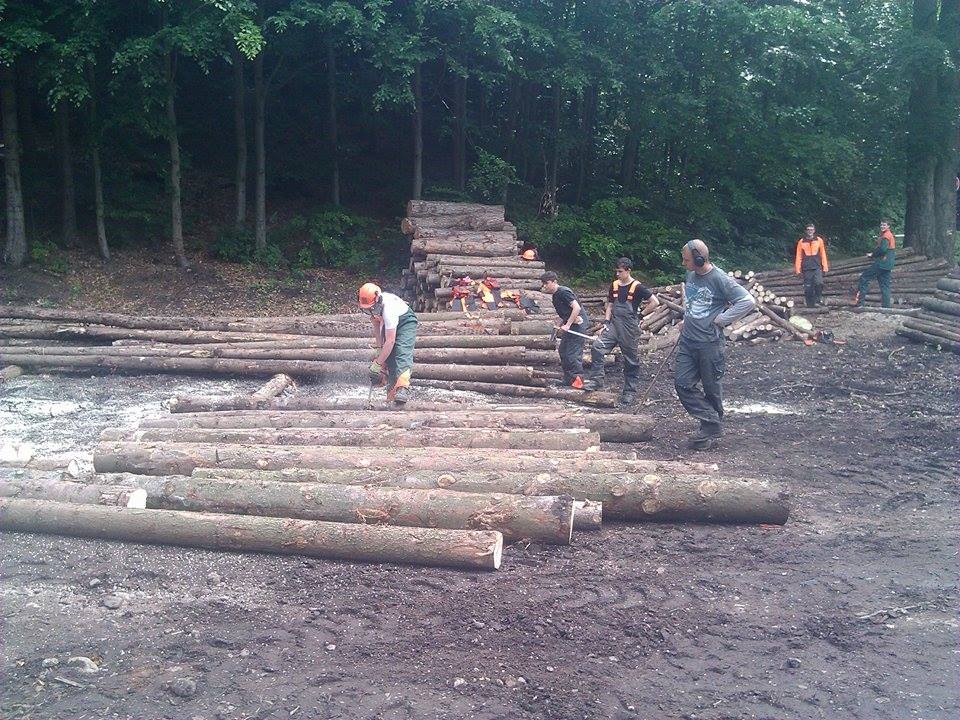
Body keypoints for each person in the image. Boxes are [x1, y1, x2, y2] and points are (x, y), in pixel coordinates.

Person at [675, 239, 755, 450]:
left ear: (699, 259)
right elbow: (692, 301)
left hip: (709, 343)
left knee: (711, 388)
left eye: (686, 260)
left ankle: (708, 429)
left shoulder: (719, 278)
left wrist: (722, 319)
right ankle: (712, 422)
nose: (683, 263)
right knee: (682, 384)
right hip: (688, 340)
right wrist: (686, 318)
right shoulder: (691, 275)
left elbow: (747, 301)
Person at [583, 257, 659, 407]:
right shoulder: (614, 285)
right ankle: (596, 380)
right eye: (616, 271)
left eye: (620, 271)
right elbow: (610, 305)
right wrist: (606, 321)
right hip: (614, 325)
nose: (617, 274)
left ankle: (629, 391)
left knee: (630, 360)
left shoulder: (637, 287)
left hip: (629, 328)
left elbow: (655, 302)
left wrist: (641, 315)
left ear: (628, 271)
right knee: (597, 347)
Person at [358, 282, 418, 405]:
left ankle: (402, 387)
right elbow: (378, 330)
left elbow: (390, 341)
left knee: (401, 351)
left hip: (405, 322)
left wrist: (378, 364)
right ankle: (391, 394)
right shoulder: (377, 309)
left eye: (372, 308)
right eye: (368, 309)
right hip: (391, 325)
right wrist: (379, 351)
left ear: (377, 299)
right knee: (389, 357)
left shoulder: (388, 309)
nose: (371, 311)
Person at [540, 271, 588, 389]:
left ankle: (578, 380)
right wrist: (560, 324)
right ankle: (568, 379)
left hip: (578, 324)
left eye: (547, 283)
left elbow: (576, 308)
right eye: (543, 283)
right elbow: (564, 313)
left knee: (573, 353)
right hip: (571, 324)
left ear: (554, 282)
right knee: (563, 350)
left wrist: (568, 324)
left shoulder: (564, 292)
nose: (545, 286)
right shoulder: (555, 296)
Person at [854, 221, 896, 308]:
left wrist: (872, 255)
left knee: (864, 277)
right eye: (881, 225)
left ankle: (860, 303)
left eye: (884, 225)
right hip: (888, 265)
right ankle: (886, 308)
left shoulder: (886, 236)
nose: (882, 226)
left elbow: (883, 249)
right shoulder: (889, 235)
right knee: (885, 286)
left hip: (881, 263)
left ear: (888, 226)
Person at [794, 223, 829, 307]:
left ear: (814, 231)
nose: (810, 231)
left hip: (817, 266)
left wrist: (825, 267)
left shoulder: (819, 240)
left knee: (819, 283)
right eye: (808, 230)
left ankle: (818, 300)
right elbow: (798, 256)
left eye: (811, 229)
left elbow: (823, 254)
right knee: (808, 287)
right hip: (806, 268)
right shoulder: (801, 241)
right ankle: (810, 304)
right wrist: (798, 269)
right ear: (806, 231)